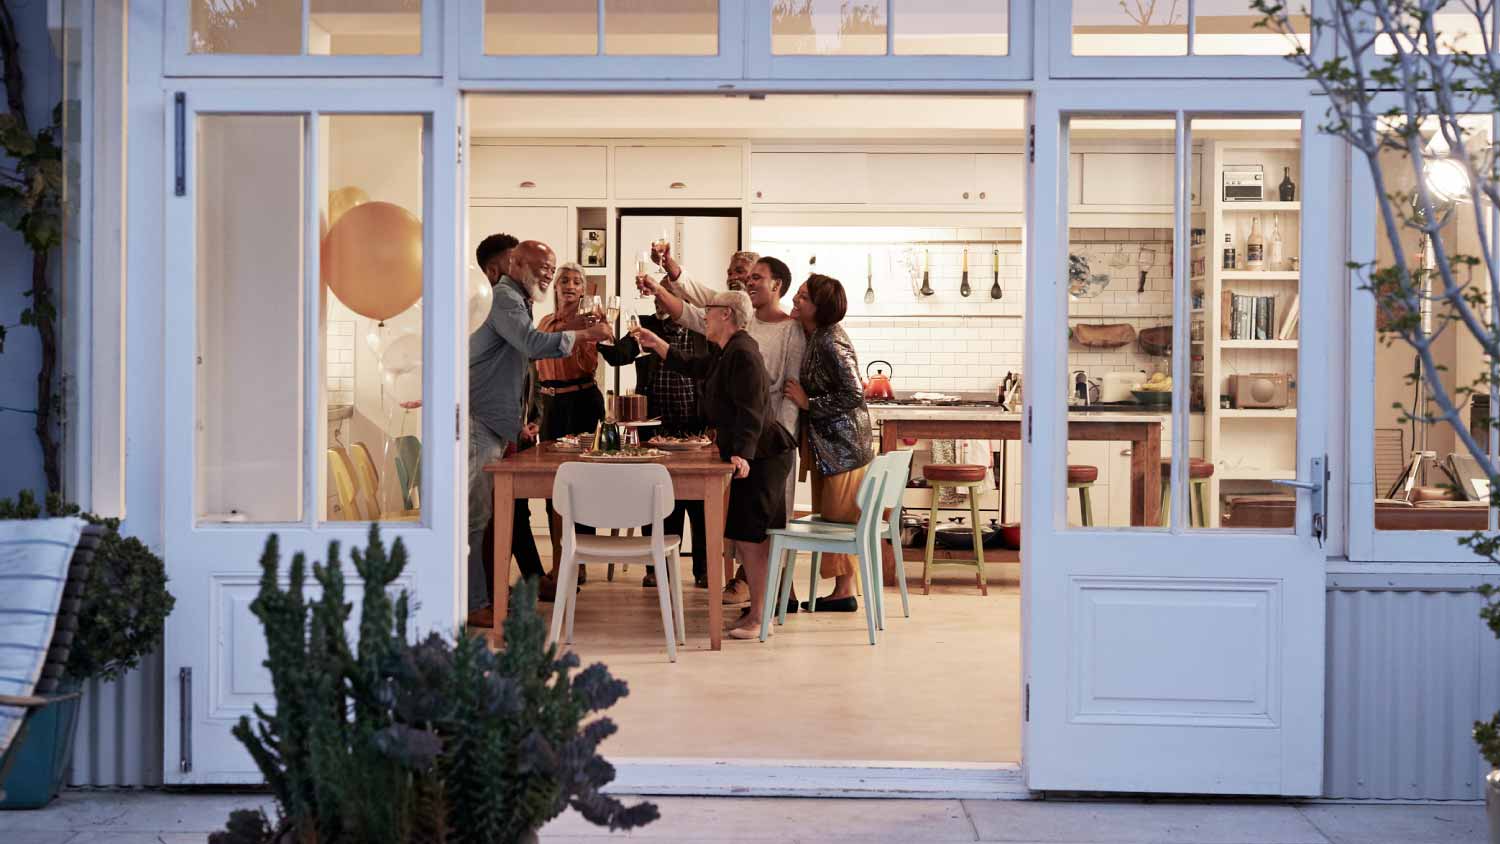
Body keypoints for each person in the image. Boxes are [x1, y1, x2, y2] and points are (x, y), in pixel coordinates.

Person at [641, 256, 806, 609]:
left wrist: (741, 455)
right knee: (749, 539)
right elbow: (695, 365)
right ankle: (761, 612)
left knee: (753, 539)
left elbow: (751, 410)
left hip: (763, 454)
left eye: (709, 312)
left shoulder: (743, 353)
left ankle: (760, 612)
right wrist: (658, 345)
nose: (703, 317)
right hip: (756, 452)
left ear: (726, 315)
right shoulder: (728, 350)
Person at [468, 238, 611, 621]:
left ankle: (491, 595)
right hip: (482, 421)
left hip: (500, 423)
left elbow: (516, 363)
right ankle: (475, 603)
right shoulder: (504, 297)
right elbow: (531, 344)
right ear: (516, 264)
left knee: (496, 515)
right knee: (478, 518)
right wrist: (583, 335)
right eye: (545, 269)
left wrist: (523, 418)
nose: (550, 275)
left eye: (554, 269)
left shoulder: (519, 299)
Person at [599, 296, 712, 589]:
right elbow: (617, 357)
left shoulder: (702, 330)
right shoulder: (646, 326)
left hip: (697, 427)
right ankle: (656, 567)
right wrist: (602, 332)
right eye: (657, 298)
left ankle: (704, 569)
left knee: (699, 502)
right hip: (654, 427)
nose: (661, 303)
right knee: (658, 498)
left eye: (668, 298)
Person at [785, 274, 874, 612]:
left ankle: (844, 593)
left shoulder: (829, 341)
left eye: (804, 297)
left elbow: (854, 393)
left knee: (839, 520)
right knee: (834, 518)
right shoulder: (817, 335)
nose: (796, 298)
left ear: (819, 308)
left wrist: (809, 404)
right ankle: (842, 591)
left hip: (844, 448)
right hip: (832, 447)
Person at [535, 262, 608, 572]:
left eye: (577, 281)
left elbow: (608, 343)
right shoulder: (544, 321)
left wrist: (593, 326)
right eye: (563, 279)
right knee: (555, 484)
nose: (569, 284)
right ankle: (560, 559)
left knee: (584, 481)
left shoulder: (592, 320)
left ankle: (581, 559)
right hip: (550, 405)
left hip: (582, 402)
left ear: (582, 290)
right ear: (555, 286)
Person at [653, 244, 757, 293]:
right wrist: (667, 262)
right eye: (729, 273)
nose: (732, 277)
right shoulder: (721, 305)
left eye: (739, 271)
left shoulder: (769, 314)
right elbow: (693, 289)